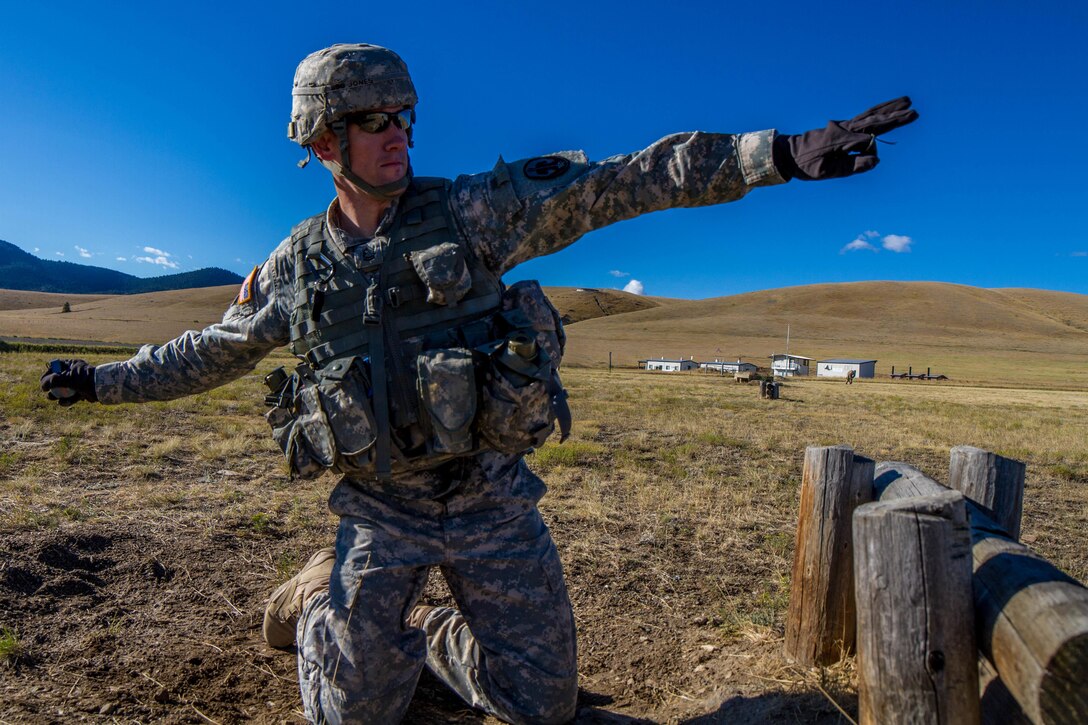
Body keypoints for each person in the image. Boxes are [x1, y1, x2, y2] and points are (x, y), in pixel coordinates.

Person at [40, 43, 917, 724]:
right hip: (381, 508)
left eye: (405, 113)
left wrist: (780, 154)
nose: (399, 132)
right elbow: (211, 350)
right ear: (322, 140)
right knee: (351, 713)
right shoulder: (297, 270)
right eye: (373, 117)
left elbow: (622, 183)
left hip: (492, 498)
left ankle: (429, 639)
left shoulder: (473, 213)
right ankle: (318, 599)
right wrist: (102, 380)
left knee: (543, 704)